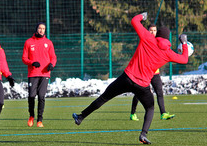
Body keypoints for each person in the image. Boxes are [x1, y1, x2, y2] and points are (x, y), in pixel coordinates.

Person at [72, 12, 189, 144]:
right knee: (150, 108)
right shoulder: (168, 53)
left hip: (127, 77)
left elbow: (134, 21)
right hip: (143, 85)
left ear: (157, 34)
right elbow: (184, 59)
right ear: (168, 38)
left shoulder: (147, 38)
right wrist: (184, 43)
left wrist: (142, 16)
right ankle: (143, 134)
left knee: (104, 97)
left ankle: (81, 117)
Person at [130, 24, 175, 121]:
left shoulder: (159, 42)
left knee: (160, 92)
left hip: (155, 73)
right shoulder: (146, 40)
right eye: (151, 30)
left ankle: (163, 113)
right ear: (147, 31)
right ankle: (132, 113)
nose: (153, 32)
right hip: (144, 74)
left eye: (154, 30)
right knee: (138, 94)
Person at [22, 22, 57, 128]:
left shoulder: (49, 43)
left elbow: (53, 57)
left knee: (41, 96)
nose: (42, 30)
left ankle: (40, 120)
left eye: (43, 28)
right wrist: (32, 62)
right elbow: (24, 58)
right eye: (40, 28)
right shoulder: (29, 42)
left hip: (45, 73)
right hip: (33, 74)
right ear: (36, 29)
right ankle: (31, 116)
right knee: (32, 96)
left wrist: (52, 65)